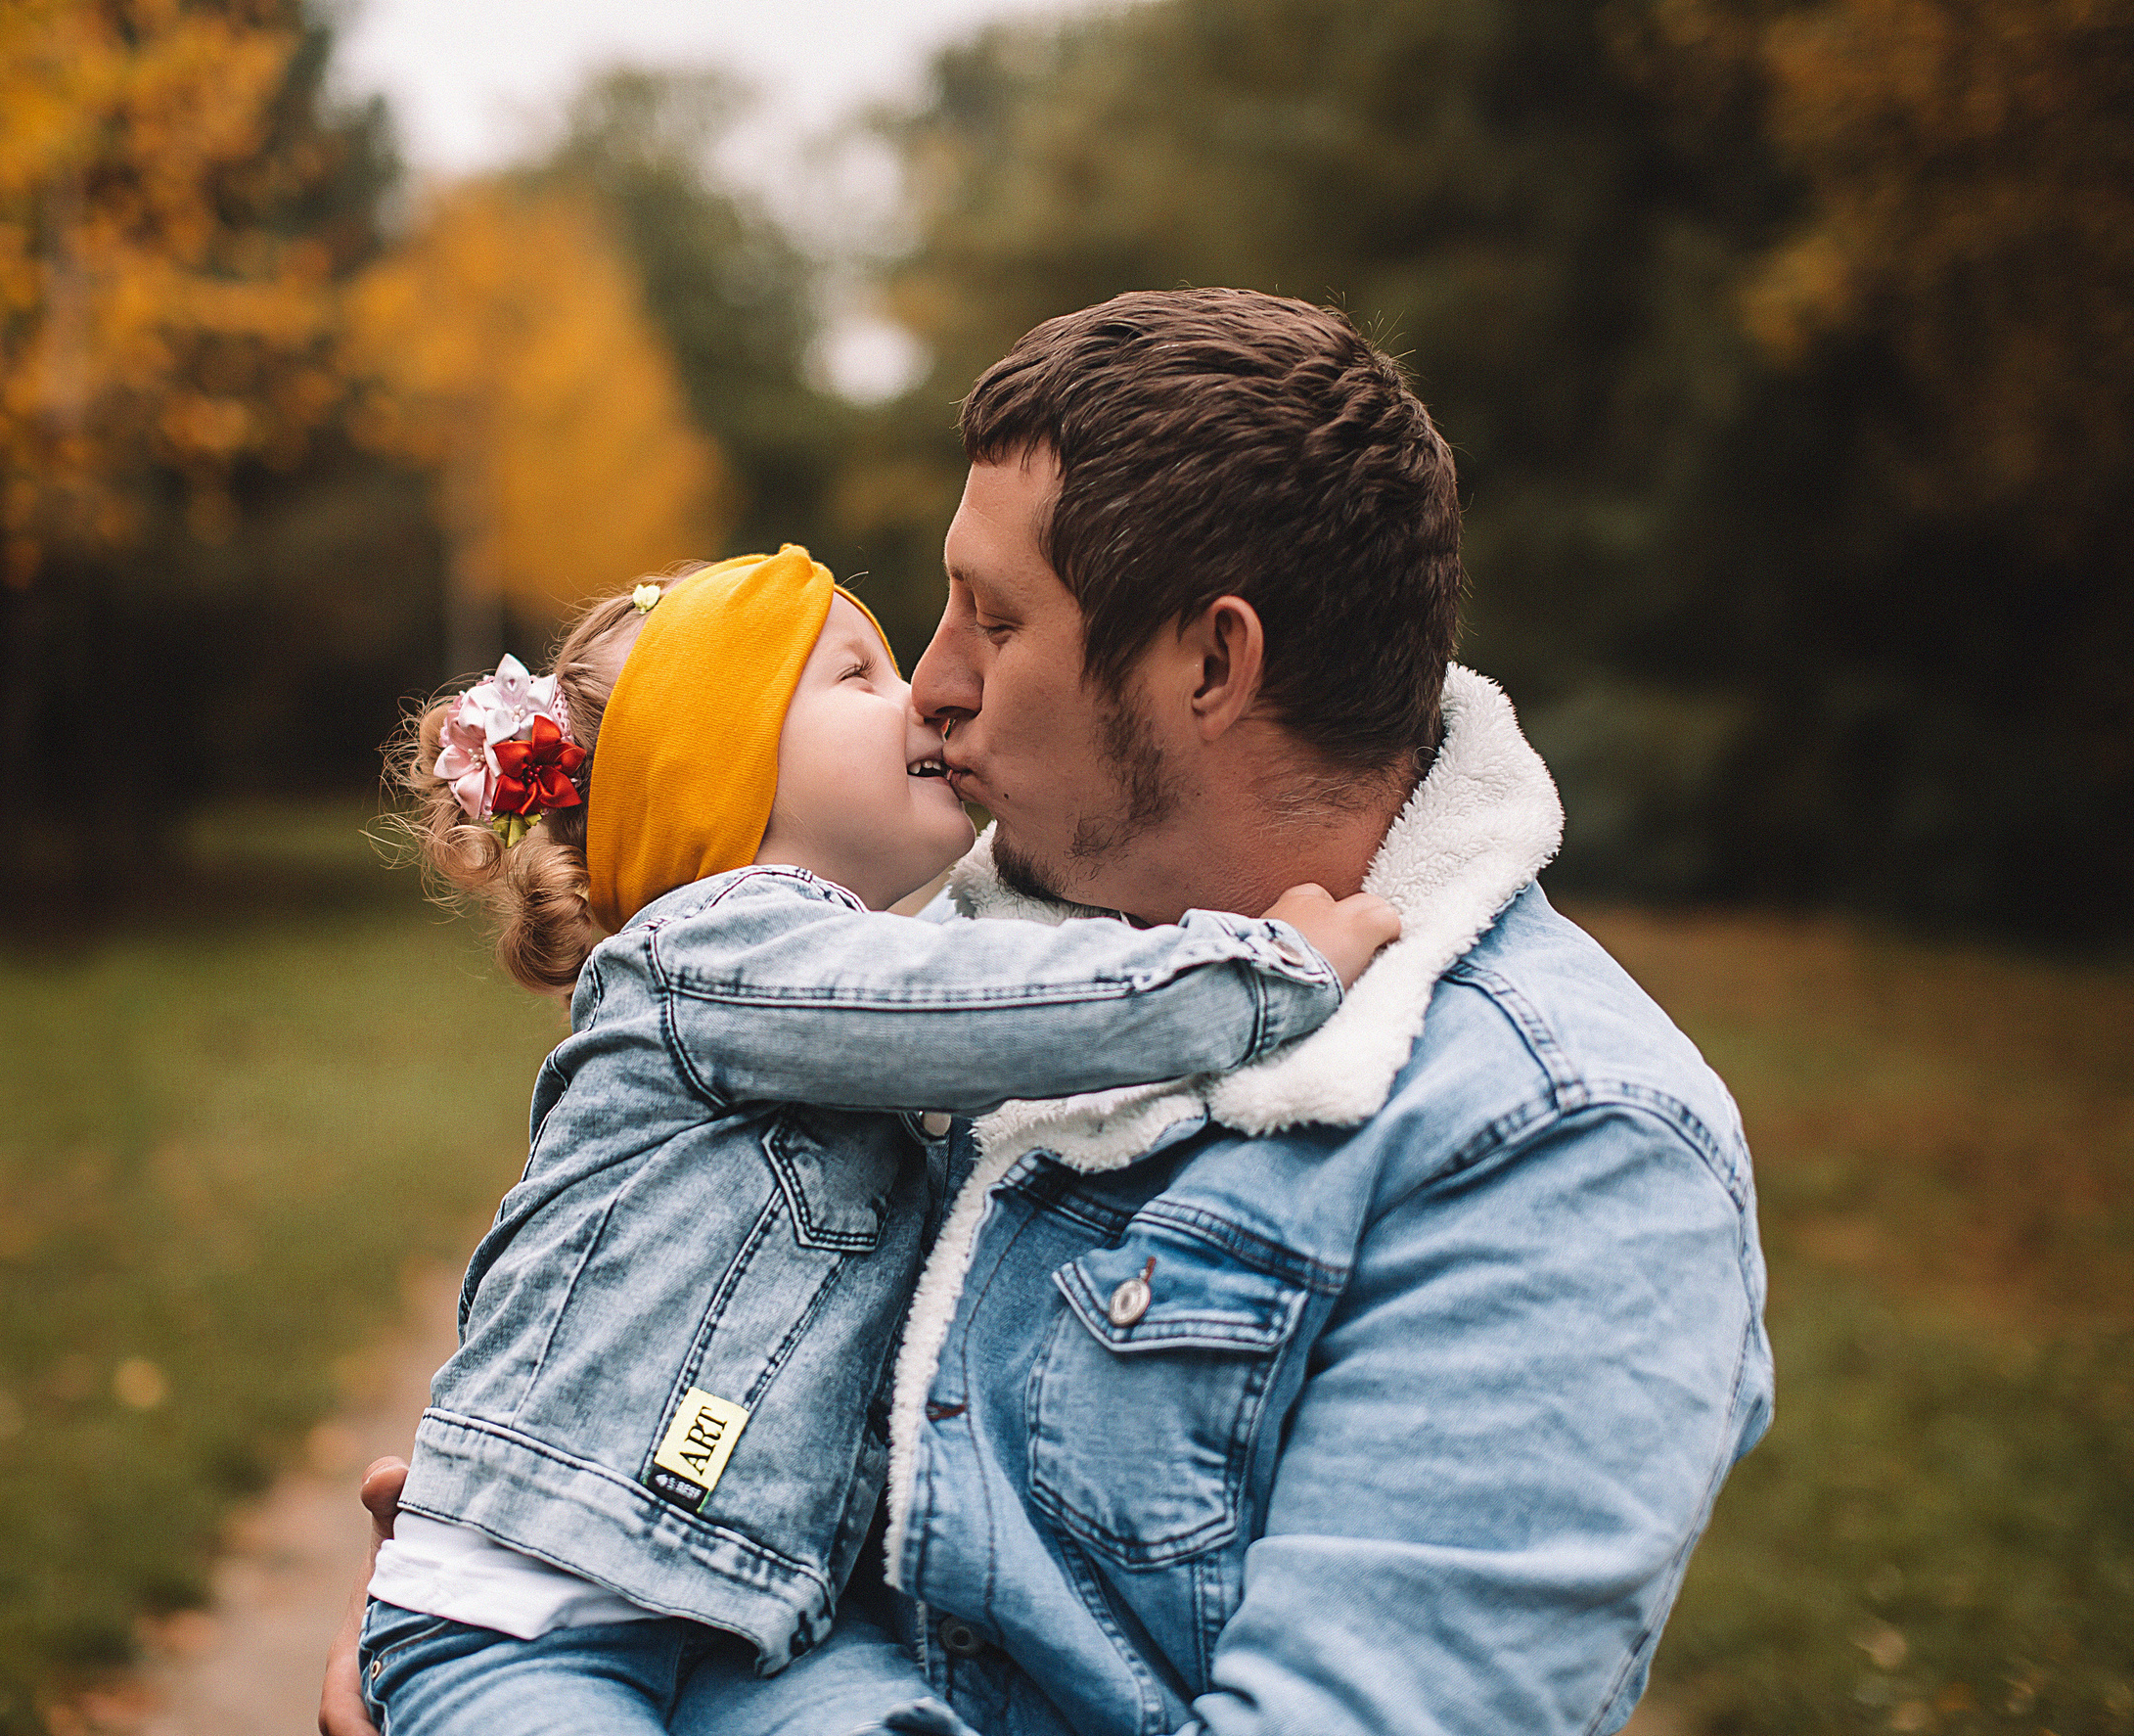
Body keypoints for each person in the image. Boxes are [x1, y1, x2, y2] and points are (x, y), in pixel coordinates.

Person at [329, 288, 1772, 1736]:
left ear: (1212, 665)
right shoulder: (930, 959)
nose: (934, 685)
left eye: (996, 620)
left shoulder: (1564, 1142)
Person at [355, 544, 1401, 1736]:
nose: (922, 699)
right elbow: (1007, 1007)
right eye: (858, 674)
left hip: (743, 1618)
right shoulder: (720, 947)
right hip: (518, 1609)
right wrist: (1269, 967)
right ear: (721, 765)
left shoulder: (820, 985)